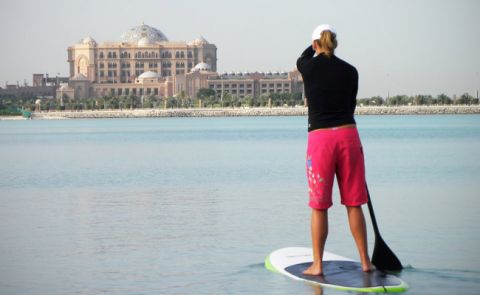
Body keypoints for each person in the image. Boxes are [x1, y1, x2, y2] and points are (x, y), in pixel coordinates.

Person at [296, 24, 374, 276]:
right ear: (335, 42)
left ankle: (317, 265)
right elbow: (350, 105)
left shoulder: (307, 66)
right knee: (354, 203)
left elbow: (302, 57)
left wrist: (315, 45)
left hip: (321, 141)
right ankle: (365, 262)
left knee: (319, 205)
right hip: (349, 137)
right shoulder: (351, 71)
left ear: (316, 44)